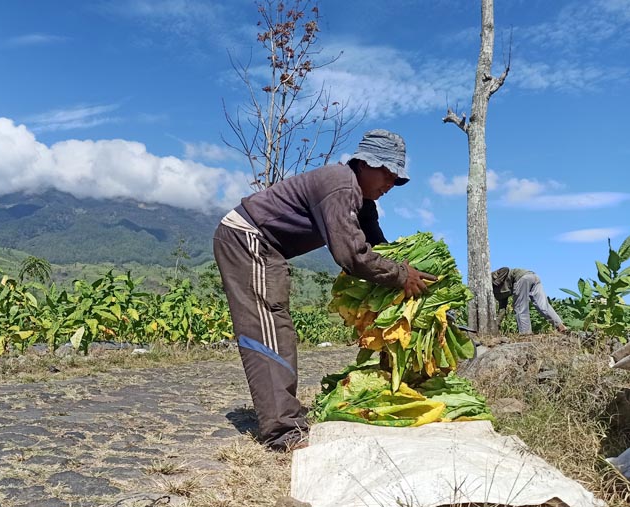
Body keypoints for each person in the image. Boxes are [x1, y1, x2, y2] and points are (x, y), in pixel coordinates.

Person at [213, 129, 436, 451]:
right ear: (364, 164)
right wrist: (400, 276)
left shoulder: (364, 204)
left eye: (396, 178)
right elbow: (351, 255)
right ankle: (281, 431)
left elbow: (379, 249)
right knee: (269, 326)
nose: (390, 183)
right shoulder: (340, 183)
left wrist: (411, 273)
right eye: (386, 172)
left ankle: (283, 416)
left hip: (266, 246)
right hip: (248, 239)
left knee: (277, 325)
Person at [491, 267, 568, 334]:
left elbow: (505, 269)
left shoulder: (489, 279)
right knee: (543, 305)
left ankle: (525, 333)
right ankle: (560, 326)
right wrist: (497, 325)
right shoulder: (499, 295)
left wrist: (495, 283)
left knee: (520, 307)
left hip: (522, 277)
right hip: (534, 277)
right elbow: (502, 309)